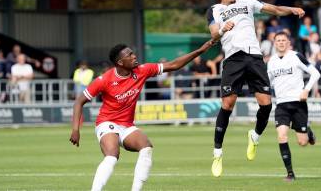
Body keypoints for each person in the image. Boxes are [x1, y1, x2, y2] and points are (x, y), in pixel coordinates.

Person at [69, 40, 215, 191]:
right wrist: (75, 130)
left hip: (127, 126)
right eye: (129, 55)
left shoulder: (142, 70)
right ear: (120, 62)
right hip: (107, 123)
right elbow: (79, 101)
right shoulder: (104, 80)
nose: (134, 56)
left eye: (132, 53)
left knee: (146, 148)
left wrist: (200, 51)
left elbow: (174, 65)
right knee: (112, 155)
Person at [206, 0, 305, 177]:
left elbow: (275, 9)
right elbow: (214, 34)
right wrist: (223, 29)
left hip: (254, 58)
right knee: (227, 105)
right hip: (233, 60)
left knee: (266, 104)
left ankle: (255, 136)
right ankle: (217, 153)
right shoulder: (214, 10)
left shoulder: (248, 2)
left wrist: (292, 9)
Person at [267, 32, 320, 181]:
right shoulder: (271, 61)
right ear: (274, 43)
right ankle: (290, 174)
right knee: (281, 136)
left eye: (284, 40)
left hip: (298, 104)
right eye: (278, 40)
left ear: (288, 42)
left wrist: (306, 90)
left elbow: (315, 73)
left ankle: (308, 132)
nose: (281, 43)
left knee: (302, 143)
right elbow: (268, 82)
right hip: (281, 105)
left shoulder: (296, 56)